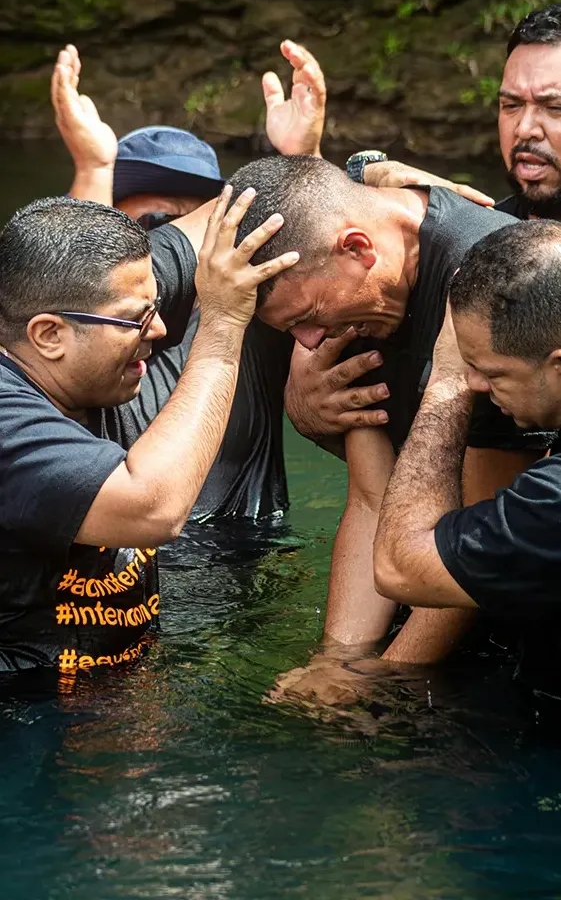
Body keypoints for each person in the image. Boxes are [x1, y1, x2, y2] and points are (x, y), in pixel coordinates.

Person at [229, 153, 555, 675]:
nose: (308, 343)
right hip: (424, 565)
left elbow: (477, 544)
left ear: (357, 249)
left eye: (308, 319)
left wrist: (387, 677)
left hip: (489, 581)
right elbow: (370, 498)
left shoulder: (486, 286)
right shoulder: (347, 305)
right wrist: (338, 661)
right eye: (289, 331)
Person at [50, 44, 388, 532]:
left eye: (201, 222)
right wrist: (92, 171)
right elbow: (75, 287)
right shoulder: (75, 344)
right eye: (161, 222)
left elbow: (313, 263)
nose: (186, 244)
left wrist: (303, 158)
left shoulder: (255, 315)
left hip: (244, 562)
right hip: (130, 570)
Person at [0, 188, 298, 676]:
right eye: (137, 320)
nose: (159, 329)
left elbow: (233, 214)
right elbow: (152, 509)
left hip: (122, 685)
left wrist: (365, 178)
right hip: (26, 710)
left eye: (156, 304)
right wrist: (222, 326)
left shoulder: (112, 288)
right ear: (49, 335)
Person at [374, 219, 561, 701]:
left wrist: (448, 378)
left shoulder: (553, 503)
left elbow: (401, 566)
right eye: (470, 367)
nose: (479, 384)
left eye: (490, 371)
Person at [361, 2, 561, 223]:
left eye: (554, 108)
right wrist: (367, 173)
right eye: (511, 105)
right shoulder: (478, 235)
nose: (524, 129)